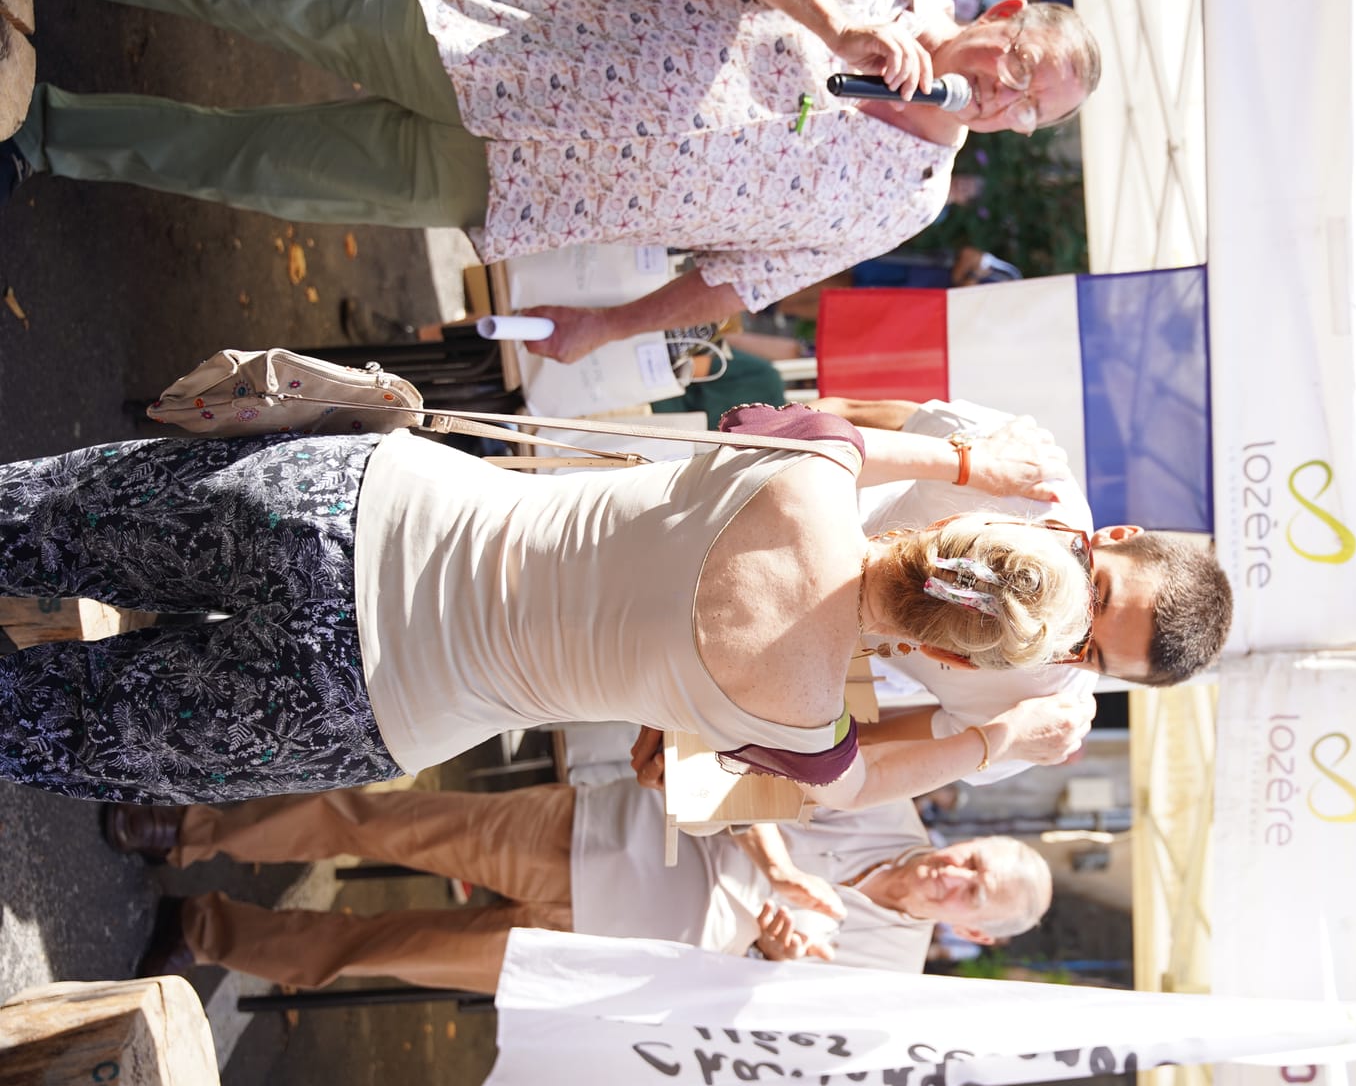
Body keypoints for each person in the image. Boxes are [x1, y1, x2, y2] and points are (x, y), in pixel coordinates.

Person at [4, 0, 1102, 364]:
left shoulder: (911, 200)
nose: (1000, 101)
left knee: (252, 167)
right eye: (1015, 72)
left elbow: (737, 276)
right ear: (1002, 16)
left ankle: (42, 131)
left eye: (1022, 115)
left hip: (525, 187)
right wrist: (834, 29)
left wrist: (613, 323)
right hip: (504, 34)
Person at [0, 394, 1096, 805]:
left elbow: (828, 417)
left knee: (40, 520)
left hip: (364, 512)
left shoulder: (811, 473)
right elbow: (854, 786)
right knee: (45, 720)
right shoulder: (803, 718)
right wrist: (997, 735)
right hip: (371, 698)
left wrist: (973, 466)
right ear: (943, 660)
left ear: (950, 527)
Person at [109, 778, 1051, 991]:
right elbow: (746, 772)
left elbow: (760, 1027)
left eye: (976, 892)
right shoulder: (891, 810)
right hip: (600, 839)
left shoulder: (893, 975)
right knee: (380, 823)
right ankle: (189, 829)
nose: (954, 872)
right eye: (976, 857)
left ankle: (210, 930)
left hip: (609, 956)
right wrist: (773, 860)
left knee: (382, 950)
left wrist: (780, 958)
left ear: (983, 937)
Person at [825, 396, 1235, 785]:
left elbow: (856, 752)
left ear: (951, 655)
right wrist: (967, 462)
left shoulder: (1035, 714)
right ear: (1114, 536)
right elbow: (844, 415)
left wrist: (1002, 740)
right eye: (1097, 590)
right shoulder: (1021, 465)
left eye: (1083, 648)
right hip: (816, 497)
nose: (1066, 615)